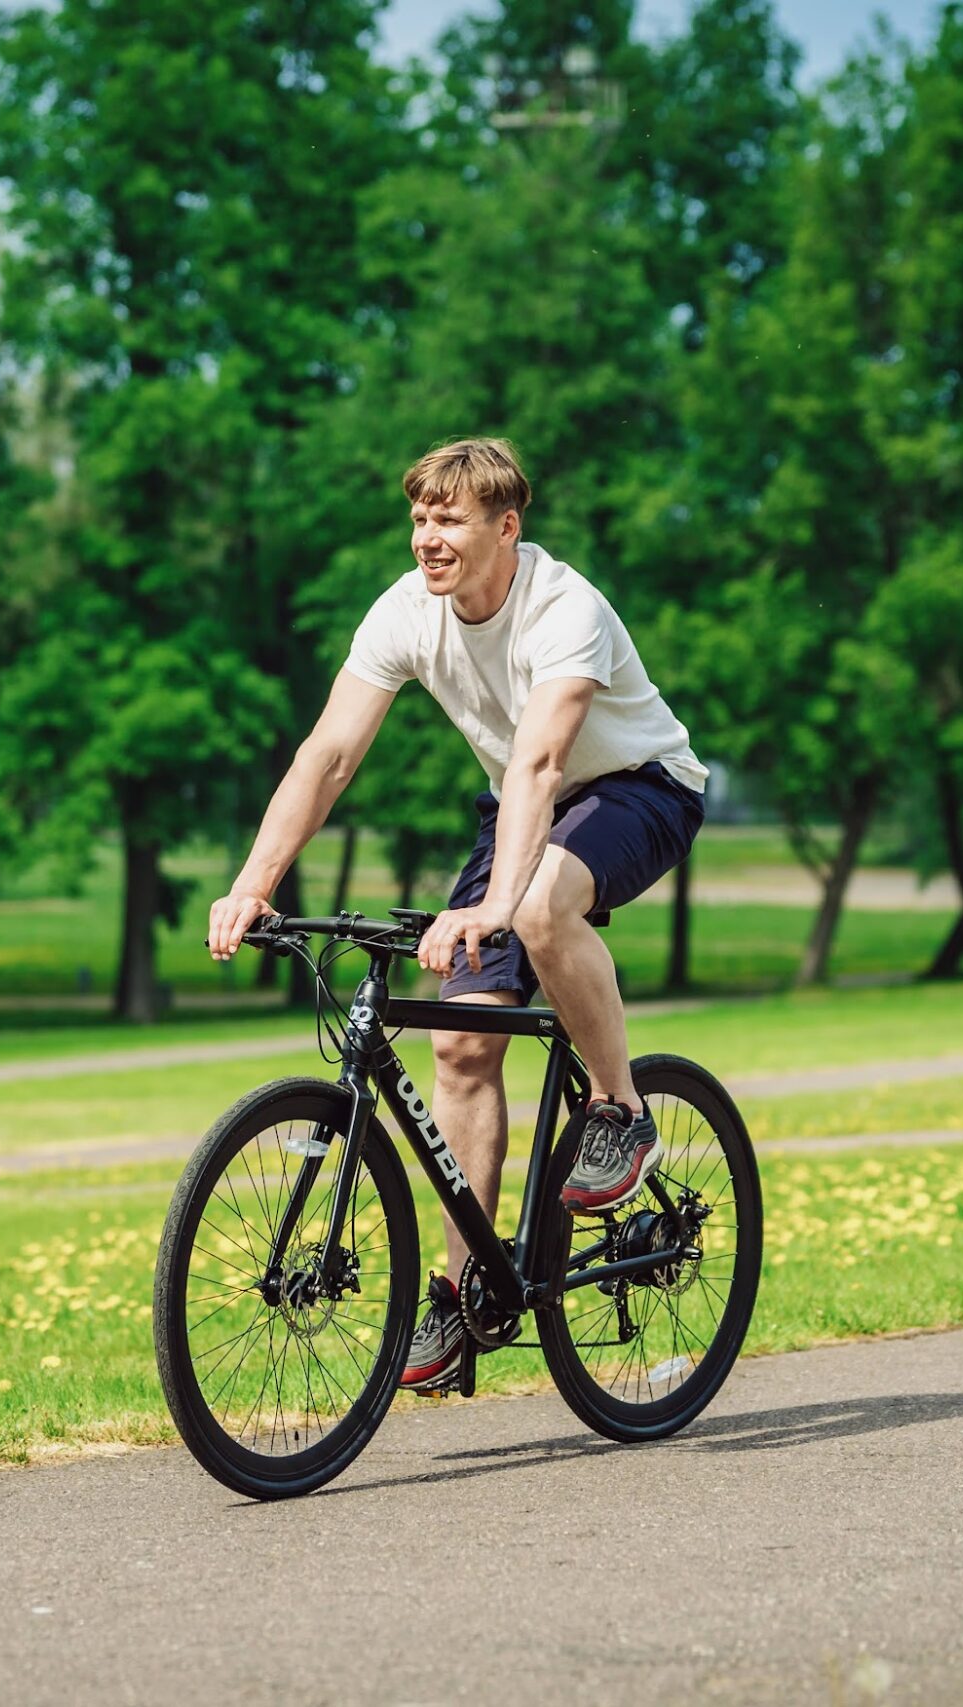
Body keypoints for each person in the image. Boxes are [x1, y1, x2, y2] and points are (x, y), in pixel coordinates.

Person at [205, 437, 707, 1394]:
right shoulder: (407, 610)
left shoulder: (566, 609)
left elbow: (542, 766)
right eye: (420, 519)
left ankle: (621, 1109)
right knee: (461, 1048)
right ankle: (460, 1289)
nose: (428, 539)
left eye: (450, 520)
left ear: (505, 528)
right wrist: (254, 880)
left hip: (638, 789)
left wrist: (492, 904)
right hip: (523, 810)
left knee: (544, 907)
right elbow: (328, 756)